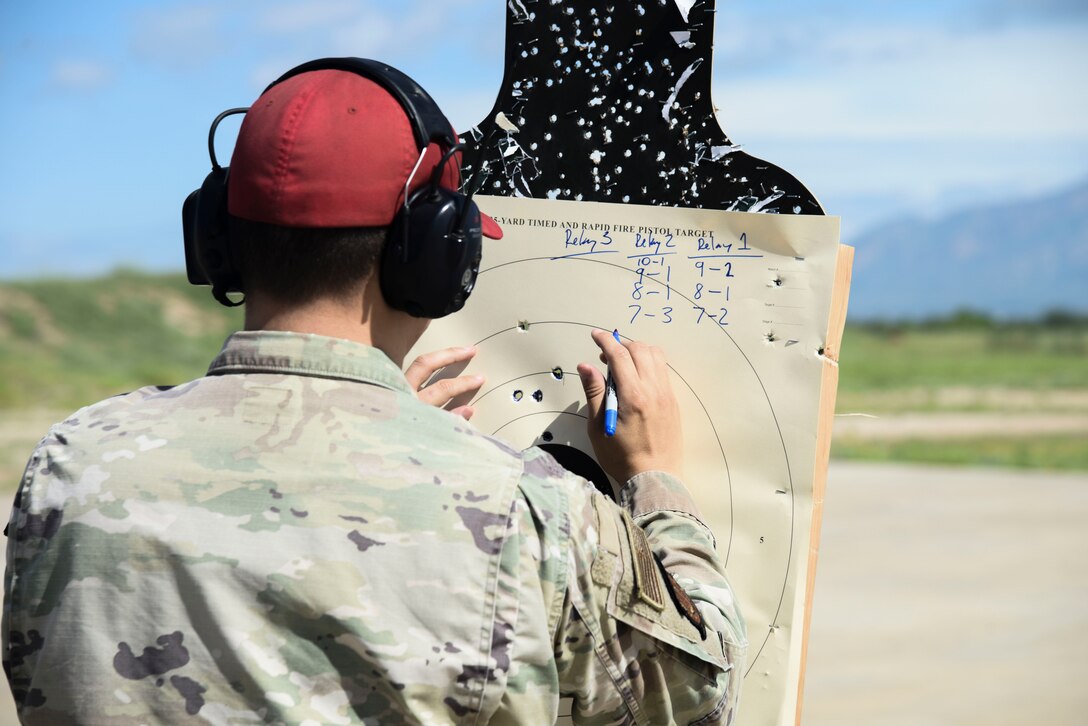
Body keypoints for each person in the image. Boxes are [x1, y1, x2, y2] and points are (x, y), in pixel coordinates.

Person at [3, 58, 746, 724]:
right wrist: (656, 482)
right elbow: (698, 695)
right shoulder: (532, 510)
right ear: (432, 253)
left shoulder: (70, 469)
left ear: (216, 239)